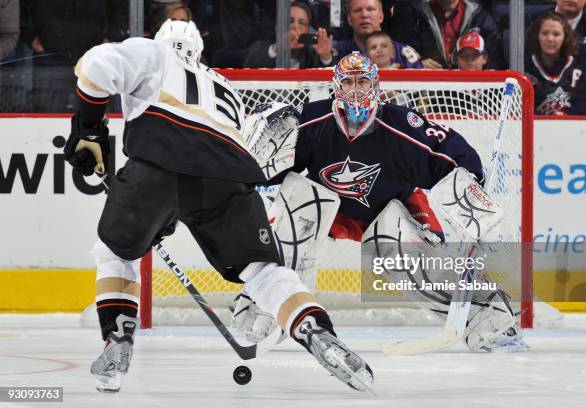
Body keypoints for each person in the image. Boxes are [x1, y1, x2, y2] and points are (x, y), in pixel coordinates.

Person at [63, 19, 373, 393]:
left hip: (160, 161)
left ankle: (117, 341)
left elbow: (96, 65)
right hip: (229, 175)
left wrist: (88, 130)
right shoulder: (222, 84)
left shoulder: (151, 51)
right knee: (264, 271)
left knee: (115, 253)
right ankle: (317, 331)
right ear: (198, 51)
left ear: (162, 40)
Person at [259, 51, 526, 352]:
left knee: (404, 259)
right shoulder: (312, 120)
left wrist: (472, 178)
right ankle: (271, 307)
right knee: (295, 205)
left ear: (376, 85)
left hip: (389, 208)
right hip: (332, 209)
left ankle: (490, 317)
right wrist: (253, 166)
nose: (356, 90)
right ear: (337, 87)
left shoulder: (400, 125)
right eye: (349, 83)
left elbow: (445, 149)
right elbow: (276, 171)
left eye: (363, 82)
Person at [530, 0, 586, 102]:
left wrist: (571, 91)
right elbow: (526, 64)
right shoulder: (533, 22)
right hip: (540, 92)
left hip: (582, 93)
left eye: (556, 34)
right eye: (545, 33)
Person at [525, 11, 586, 115]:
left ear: (565, 38)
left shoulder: (582, 69)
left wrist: (564, 116)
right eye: (545, 33)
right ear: (537, 36)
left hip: (575, 129)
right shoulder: (525, 69)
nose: (550, 39)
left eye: (556, 34)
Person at [387, 0, 500, 69]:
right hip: (428, 88)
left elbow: (493, 59)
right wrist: (417, 63)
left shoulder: (480, 16)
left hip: (470, 88)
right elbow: (400, 52)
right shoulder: (412, 14)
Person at [333, 0, 423, 69]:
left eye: (370, 9)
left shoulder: (405, 54)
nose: (364, 15)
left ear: (381, 16)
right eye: (358, 10)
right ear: (349, 19)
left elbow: (422, 91)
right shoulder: (336, 53)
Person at [243, 1, 334, 68]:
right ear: (278, 27)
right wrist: (277, 47)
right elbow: (250, 64)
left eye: (302, 23)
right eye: (290, 21)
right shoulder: (260, 48)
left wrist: (326, 57)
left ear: (307, 30)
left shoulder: (313, 55)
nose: (295, 26)